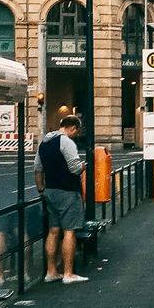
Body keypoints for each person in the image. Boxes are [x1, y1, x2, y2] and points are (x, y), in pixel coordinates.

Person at [34, 115, 88, 284]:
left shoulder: (44, 142)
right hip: (67, 191)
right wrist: (83, 166)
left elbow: (37, 168)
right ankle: (68, 273)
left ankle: (51, 271)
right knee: (69, 231)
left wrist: (41, 189)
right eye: (76, 131)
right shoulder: (67, 142)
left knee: (53, 231)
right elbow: (74, 168)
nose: (76, 134)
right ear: (72, 127)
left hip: (50, 191)